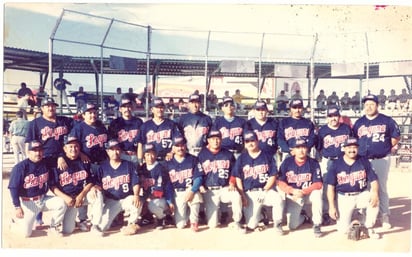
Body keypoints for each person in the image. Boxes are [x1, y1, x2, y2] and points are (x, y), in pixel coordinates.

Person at [25, 97, 75, 227]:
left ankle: (67, 215)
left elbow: (78, 126)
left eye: (52, 105)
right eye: (47, 106)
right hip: (43, 158)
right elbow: (29, 143)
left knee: (66, 183)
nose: (50, 108)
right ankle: (38, 216)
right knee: (39, 186)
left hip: (62, 159)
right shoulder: (35, 123)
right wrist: (31, 160)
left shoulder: (64, 121)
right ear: (42, 108)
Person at [352, 94, 400, 229]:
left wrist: (384, 148)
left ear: (377, 105)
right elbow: (354, 140)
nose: (368, 107)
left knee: (381, 188)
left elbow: (396, 137)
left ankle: (384, 215)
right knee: (363, 187)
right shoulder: (359, 122)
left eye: (372, 104)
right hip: (363, 160)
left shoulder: (387, 120)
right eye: (366, 104)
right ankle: (363, 213)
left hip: (381, 159)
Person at [8, 140, 67, 238]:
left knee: (61, 202)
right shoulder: (20, 167)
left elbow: (59, 155)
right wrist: (17, 206)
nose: (38, 153)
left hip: (43, 199)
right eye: (34, 150)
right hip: (28, 203)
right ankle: (14, 225)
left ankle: (54, 227)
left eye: (40, 150)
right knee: (26, 234)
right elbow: (13, 188)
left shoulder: (46, 162)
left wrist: (60, 157)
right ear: (28, 152)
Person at [325, 137, 380, 239]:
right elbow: (330, 187)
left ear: (358, 148)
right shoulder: (336, 164)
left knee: (374, 200)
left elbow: (374, 180)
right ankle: (357, 218)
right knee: (344, 231)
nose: (352, 150)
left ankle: (368, 227)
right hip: (344, 197)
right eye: (349, 147)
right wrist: (332, 206)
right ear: (344, 149)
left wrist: (375, 193)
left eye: (354, 147)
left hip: (362, 194)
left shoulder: (364, 160)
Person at [87, 139, 143, 236]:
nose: (115, 152)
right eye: (112, 150)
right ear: (107, 152)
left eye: (117, 149)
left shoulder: (129, 165)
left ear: (121, 151)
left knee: (137, 201)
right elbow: (96, 183)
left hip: (126, 198)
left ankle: (131, 224)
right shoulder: (103, 167)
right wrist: (94, 188)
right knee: (102, 227)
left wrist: (136, 195)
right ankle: (96, 223)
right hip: (111, 201)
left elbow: (135, 182)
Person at [233, 131, 284, 234]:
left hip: (265, 190)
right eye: (247, 141)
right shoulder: (241, 158)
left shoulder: (267, 156)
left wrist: (265, 190)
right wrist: (242, 195)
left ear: (257, 141)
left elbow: (273, 175)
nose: (250, 143)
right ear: (244, 144)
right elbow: (237, 177)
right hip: (249, 193)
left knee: (278, 199)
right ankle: (262, 215)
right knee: (251, 225)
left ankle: (277, 223)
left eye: (253, 140)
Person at [70, 102, 109, 230]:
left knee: (101, 190)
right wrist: (80, 153)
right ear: (83, 114)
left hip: (102, 163)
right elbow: (72, 145)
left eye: (94, 112)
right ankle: (82, 219)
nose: (92, 115)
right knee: (85, 189)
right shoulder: (78, 128)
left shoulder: (101, 126)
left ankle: (103, 216)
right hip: (87, 164)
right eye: (89, 113)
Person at [197, 129, 244, 231]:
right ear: (208, 141)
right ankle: (207, 215)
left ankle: (237, 221)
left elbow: (235, 171)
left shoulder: (228, 154)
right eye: (213, 139)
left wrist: (232, 182)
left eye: (217, 138)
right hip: (209, 190)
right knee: (213, 225)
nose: (215, 141)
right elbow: (198, 173)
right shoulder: (202, 155)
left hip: (224, 189)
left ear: (221, 140)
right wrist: (200, 185)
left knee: (236, 196)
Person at [49, 135, 95, 235]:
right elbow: (52, 186)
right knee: (68, 230)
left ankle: (93, 223)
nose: (73, 149)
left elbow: (91, 180)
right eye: (70, 146)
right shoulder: (58, 163)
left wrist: (81, 195)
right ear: (65, 149)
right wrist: (65, 198)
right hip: (66, 199)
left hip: (79, 198)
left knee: (96, 194)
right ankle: (54, 225)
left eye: (76, 146)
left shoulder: (84, 161)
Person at [277, 138, 323, 238]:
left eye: (303, 147)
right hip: (294, 196)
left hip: (307, 193)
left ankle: (317, 224)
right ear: (293, 150)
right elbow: (280, 182)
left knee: (317, 194)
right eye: (298, 148)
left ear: (307, 149)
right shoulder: (287, 162)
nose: (301, 150)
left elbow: (318, 183)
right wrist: (291, 191)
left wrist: (304, 191)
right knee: (292, 226)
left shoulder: (313, 163)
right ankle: (304, 216)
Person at [316, 105, 353, 225]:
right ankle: (327, 212)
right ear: (327, 118)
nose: (333, 118)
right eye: (330, 116)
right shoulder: (322, 131)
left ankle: (343, 211)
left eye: (335, 116)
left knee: (344, 183)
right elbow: (319, 147)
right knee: (327, 186)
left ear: (339, 117)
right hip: (328, 160)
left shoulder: (346, 129)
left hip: (343, 160)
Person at [165, 136, 203, 231]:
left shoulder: (193, 159)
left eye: (182, 145)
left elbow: (198, 177)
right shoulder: (168, 163)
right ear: (173, 148)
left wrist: (193, 191)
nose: (180, 148)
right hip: (177, 193)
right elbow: (168, 184)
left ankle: (194, 221)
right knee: (180, 225)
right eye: (177, 146)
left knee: (196, 196)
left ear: (186, 146)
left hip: (189, 189)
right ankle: (188, 215)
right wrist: (169, 201)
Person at [139, 143, 174, 230]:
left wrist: (146, 203)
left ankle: (161, 218)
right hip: (149, 197)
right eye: (147, 154)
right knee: (137, 203)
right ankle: (148, 217)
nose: (150, 157)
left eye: (152, 154)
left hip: (162, 198)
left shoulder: (160, 168)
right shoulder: (142, 168)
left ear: (156, 154)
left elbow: (159, 191)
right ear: (143, 156)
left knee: (151, 205)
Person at [137, 97, 182, 164]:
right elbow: (140, 145)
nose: (159, 109)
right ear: (152, 109)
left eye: (161, 107)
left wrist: (172, 152)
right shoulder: (145, 126)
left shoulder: (171, 124)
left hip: (167, 160)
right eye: (157, 107)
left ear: (164, 109)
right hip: (151, 160)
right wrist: (140, 161)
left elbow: (178, 142)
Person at [108, 98, 143, 163]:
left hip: (135, 155)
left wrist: (140, 158)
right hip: (121, 155)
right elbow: (111, 142)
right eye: (124, 107)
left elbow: (141, 141)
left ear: (132, 108)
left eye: (129, 106)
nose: (127, 109)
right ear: (120, 109)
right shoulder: (115, 123)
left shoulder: (138, 122)